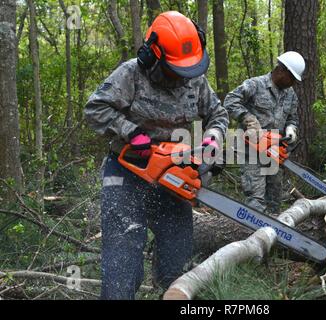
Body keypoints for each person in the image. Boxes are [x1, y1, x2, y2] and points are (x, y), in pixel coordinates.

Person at [84, 11, 229, 299]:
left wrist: (212, 141)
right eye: (176, 69)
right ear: (154, 56)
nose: (181, 76)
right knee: (122, 264)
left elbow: (218, 113)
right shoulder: (130, 75)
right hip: (127, 173)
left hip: (172, 173)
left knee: (177, 260)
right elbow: (95, 109)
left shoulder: (196, 81)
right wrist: (131, 132)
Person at [224, 51, 305, 214]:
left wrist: (291, 129)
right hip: (252, 152)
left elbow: (293, 118)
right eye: (292, 79)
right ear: (281, 70)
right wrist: (249, 119)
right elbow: (229, 101)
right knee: (256, 200)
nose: (293, 84)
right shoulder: (255, 85)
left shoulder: (290, 95)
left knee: (274, 202)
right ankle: (255, 236)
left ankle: (274, 235)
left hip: (274, 151)